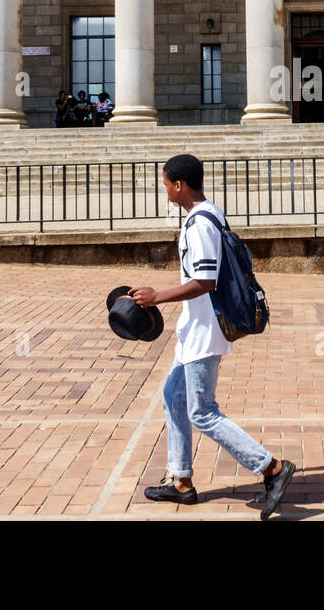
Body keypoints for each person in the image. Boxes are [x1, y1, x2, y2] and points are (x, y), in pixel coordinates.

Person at [129, 154, 296, 519]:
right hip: (194, 330)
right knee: (174, 396)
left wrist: (157, 296)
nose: (165, 189)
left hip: (205, 332)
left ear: (179, 185)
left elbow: (205, 281)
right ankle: (181, 483)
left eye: (166, 183)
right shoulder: (209, 213)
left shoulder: (200, 225)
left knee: (202, 412)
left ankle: (271, 467)